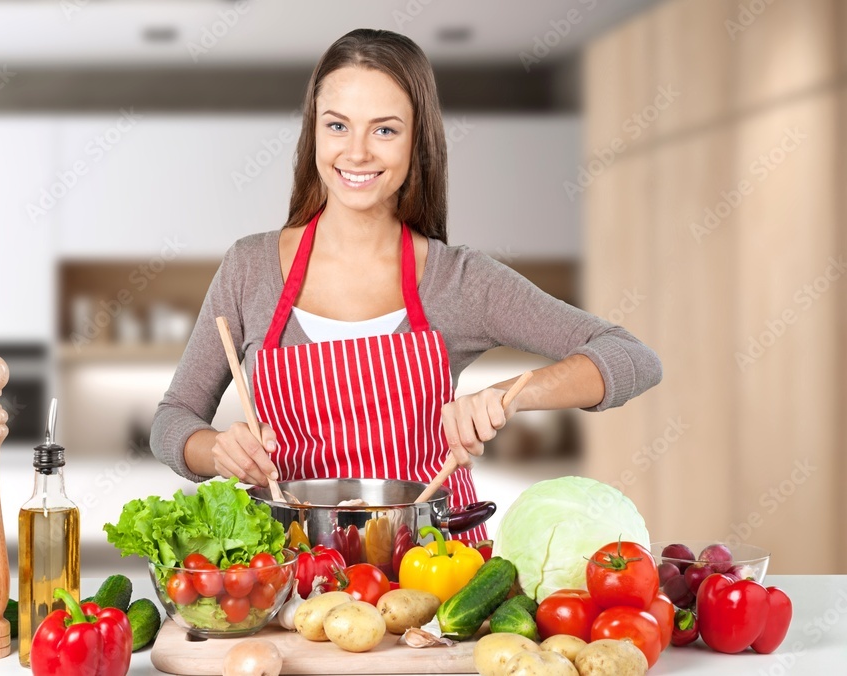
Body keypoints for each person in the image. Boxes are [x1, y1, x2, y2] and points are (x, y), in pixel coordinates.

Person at [151, 28, 662, 543]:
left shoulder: (459, 279)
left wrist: (507, 398)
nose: (356, 153)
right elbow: (173, 419)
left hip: (435, 583)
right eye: (337, 126)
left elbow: (632, 357)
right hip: (290, 581)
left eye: (385, 130)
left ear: (418, 139)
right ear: (314, 134)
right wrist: (215, 448)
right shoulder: (249, 267)